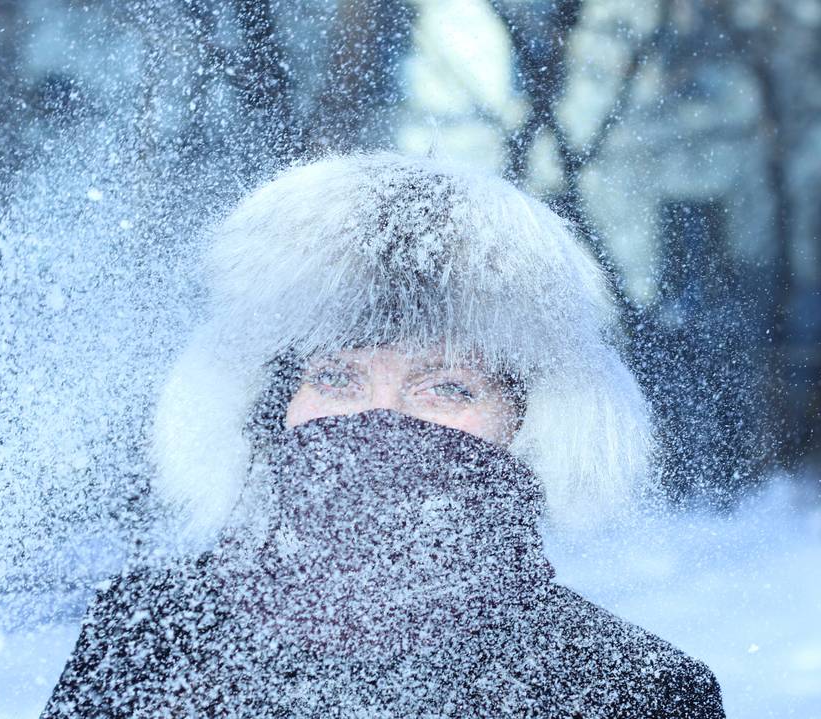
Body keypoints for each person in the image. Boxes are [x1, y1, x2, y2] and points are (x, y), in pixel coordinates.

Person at [41, 153, 725, 718]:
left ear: (531, 423)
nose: (381, 417)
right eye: (337, 377)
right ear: (271, 406)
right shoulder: (150, 639)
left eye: (447, 387)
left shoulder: (632, 692)